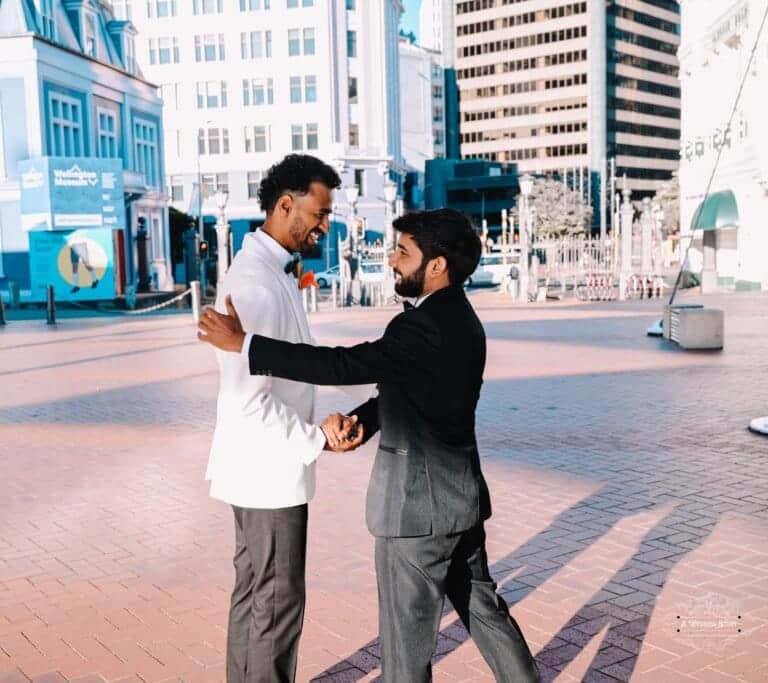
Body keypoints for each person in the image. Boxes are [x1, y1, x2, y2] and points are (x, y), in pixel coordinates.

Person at [199, 209, 541, 682]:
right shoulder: (462, 318)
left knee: (404, 650)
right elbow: (404, 390)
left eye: (403, 252)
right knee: (484, 610)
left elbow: (345, 365)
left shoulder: (421, 326)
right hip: (460, 501)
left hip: (415, 513)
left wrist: (247, 345)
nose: (392, 260)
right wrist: (357, 422)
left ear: (437, 265)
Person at [204, 154, 365, 683]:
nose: (324, 225)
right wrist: (313, 438)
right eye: (318, 214)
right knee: (276, 603)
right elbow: (251, 397)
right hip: (267, 473)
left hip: (258, 469)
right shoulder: (256, 283)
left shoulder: (271, 274)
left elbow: (300, 365)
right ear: (285, 204)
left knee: (256, 597)